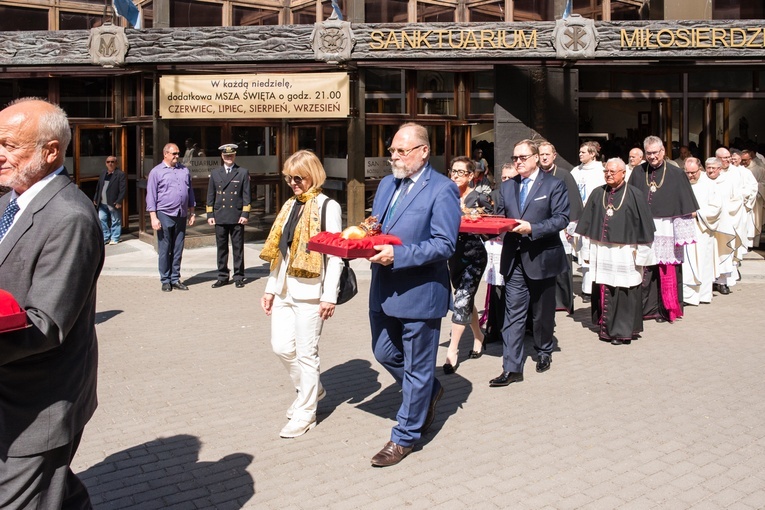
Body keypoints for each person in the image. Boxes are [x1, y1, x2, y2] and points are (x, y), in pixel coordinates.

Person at [0, 98, 103, 508]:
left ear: (50, 151)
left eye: (10, 144)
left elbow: (45, 325)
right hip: (12, 396)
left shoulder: (69, 217)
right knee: (57, 493)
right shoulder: (10, 200)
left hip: (38, 404)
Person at [367, 122, 460, 467]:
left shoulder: (443, 189)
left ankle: (404, 436)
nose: (394, 156)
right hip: (383, 286)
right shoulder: (386, 184)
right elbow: (378, 225)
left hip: (420, 292)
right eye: (391, 150)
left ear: (423, 151)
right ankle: (428, 391)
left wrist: (400, 255)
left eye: (401, 151)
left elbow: (444, 244)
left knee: (419, 367)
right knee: (383, 351)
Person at [259, 150, 342, 439]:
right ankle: (314, 389)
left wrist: (329, 294)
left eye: (298, 177)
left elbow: (335, 256)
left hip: (311, 290)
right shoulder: (289, 205)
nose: (293, 183)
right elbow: (279, 254)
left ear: (313, 175)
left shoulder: (327, 205)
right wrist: (270, 289)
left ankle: (306, 412)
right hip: (283, 288)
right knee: (280, 347)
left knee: (307, 354)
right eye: (289, 178)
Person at [492, 139, 570, 387]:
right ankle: (512, 367)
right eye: (515, 157)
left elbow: (561, 219)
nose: (518, 162)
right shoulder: (507, 187)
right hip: (514, 259)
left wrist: (532, 228)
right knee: (513, 314)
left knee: (542, 313)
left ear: (536, 157)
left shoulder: (554, 184)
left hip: (543, 259)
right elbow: (500, 218)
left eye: (523, 157)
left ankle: (544, 350)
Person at [575, 158, 655, 345]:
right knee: (606, 289)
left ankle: (623, 330)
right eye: (606, 172)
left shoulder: (635, 194)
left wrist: (642, 254)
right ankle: (608, 328)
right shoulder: (597, 193)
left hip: (625, 252)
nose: (609, 174)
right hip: (602, 250)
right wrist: (586, 253)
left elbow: (645, 227)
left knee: (625, 290)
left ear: (623, 173)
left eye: (613, 171)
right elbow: (587, 226)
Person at [628, 136, 698, 322]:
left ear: (663, 152)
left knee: (667, 270)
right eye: (648, 153)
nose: (652, 157)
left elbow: (685, 206)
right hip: (645, 227)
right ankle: (647, 309)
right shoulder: (637, 172)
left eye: (655, 153)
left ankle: (667, 309)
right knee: (646, 269)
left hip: (667, 227)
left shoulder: (676, 173)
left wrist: (681, 232)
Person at [441, 156, 491, 374]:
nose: (455, 175)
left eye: (461, 172)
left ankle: (452, 351)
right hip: (453, 256)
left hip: (474, 255)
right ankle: (479, 336)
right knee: (465, 297)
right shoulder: (446, 197)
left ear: (471, 176)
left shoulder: (480, 198)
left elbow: (492, 227)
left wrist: (474, 221)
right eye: (453, 171)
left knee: (461, 299)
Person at [538, 141, 584, 314]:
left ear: (554, 156)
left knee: (563, 265)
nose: (544, 157)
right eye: (541, 154)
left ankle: (563, 301)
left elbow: (574, 201)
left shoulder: (564, 175)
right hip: (542, 225)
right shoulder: (535, 175)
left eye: (547, 154)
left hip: (561, 225)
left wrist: (570, 226)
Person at [147, 143, 196, 292]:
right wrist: (153, 218)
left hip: (181, 214)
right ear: (165, 154)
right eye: (174, 153)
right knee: (165, 247)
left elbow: (190, 191)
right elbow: (151, 196)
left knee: (178, 248)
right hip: (164, 214)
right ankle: (165, 279)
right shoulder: (156, 172)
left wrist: (192, 211)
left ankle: (175, 278)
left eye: (178, 153)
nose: (176, 156)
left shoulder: (184, 171)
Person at [682, 158, 729, 305]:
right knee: (686, 264)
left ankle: (702, 295)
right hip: (684, 228)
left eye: (693, 173)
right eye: (687, 172)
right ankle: (687, 296)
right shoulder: (681, 184)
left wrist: (698, 214)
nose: (690, 176)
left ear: (700, 169)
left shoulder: (709, 185)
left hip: (702, 229)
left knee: (703, 262)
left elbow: (716, 208)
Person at [206, 143, 251, 288]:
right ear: (222, 156)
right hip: (220, 215)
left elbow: (246, 195)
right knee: (222, 248)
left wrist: (245, 213)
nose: (229, 158)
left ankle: (239, 276)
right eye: (226, 156)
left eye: (231, 156)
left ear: (235, 156)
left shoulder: (242, 172)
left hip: (236, 215)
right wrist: (210, 214)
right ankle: (222, 276)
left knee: (238, 247)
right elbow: (210, 195)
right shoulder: (215, 173)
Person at [483, 163, 518, 345]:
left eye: (509, 178)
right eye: (503, 178)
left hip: (513, 247)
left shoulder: (521, 194)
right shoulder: (493, 195)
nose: (506, 182)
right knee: (496, 291)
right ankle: (495, 328)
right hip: (496, 248)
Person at [704, 157, 745, 295]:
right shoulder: (702, 181)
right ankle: (708, 282)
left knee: (723, 252)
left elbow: (738, 200)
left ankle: (722, 282)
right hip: (707, 224)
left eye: (713, 168)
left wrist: (723, 212)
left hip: (724, 223)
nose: (710, 171)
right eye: (708, 168)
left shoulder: (729, 181)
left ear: (719, 169)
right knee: (708, 254)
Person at [571, 141, 605, 300]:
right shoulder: (575, 171)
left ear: (593, 154)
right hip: (579, 216)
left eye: (584, 152)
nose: (580, 154)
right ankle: (586, 287)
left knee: (593, 251)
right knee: (582, 251)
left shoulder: (601, 170)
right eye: (579, 152)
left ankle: (594, 288)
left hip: (595, 216)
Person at [93, 155, 126, 245]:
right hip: (102, 202)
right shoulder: (103, 173)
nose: (110, 164)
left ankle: (115, 238)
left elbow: (123, 189)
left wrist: (119, 201)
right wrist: (96, 198)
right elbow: (99, 186)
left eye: (112, 162)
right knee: (102, 219)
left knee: (115, 220)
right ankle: (106, 237)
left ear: (116, 163)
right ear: (106, 163)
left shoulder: (120, 174)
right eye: (108, 162)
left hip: (113, 202)